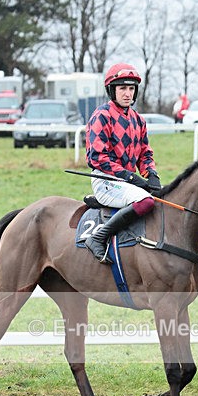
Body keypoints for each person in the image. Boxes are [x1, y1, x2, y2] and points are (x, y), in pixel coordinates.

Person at [84, 63, 162, 263]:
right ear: (112, 90)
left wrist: (151, 174)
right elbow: (97, 157)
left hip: (127, 183)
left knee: (162, 198)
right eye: (122, 88)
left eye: (131, 88)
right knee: (146, 202)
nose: (128, 94)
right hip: (106, 180)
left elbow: (145, 153)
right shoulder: (102, 116)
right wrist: (129, 176)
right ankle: (97, 238)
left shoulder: (139, 120)